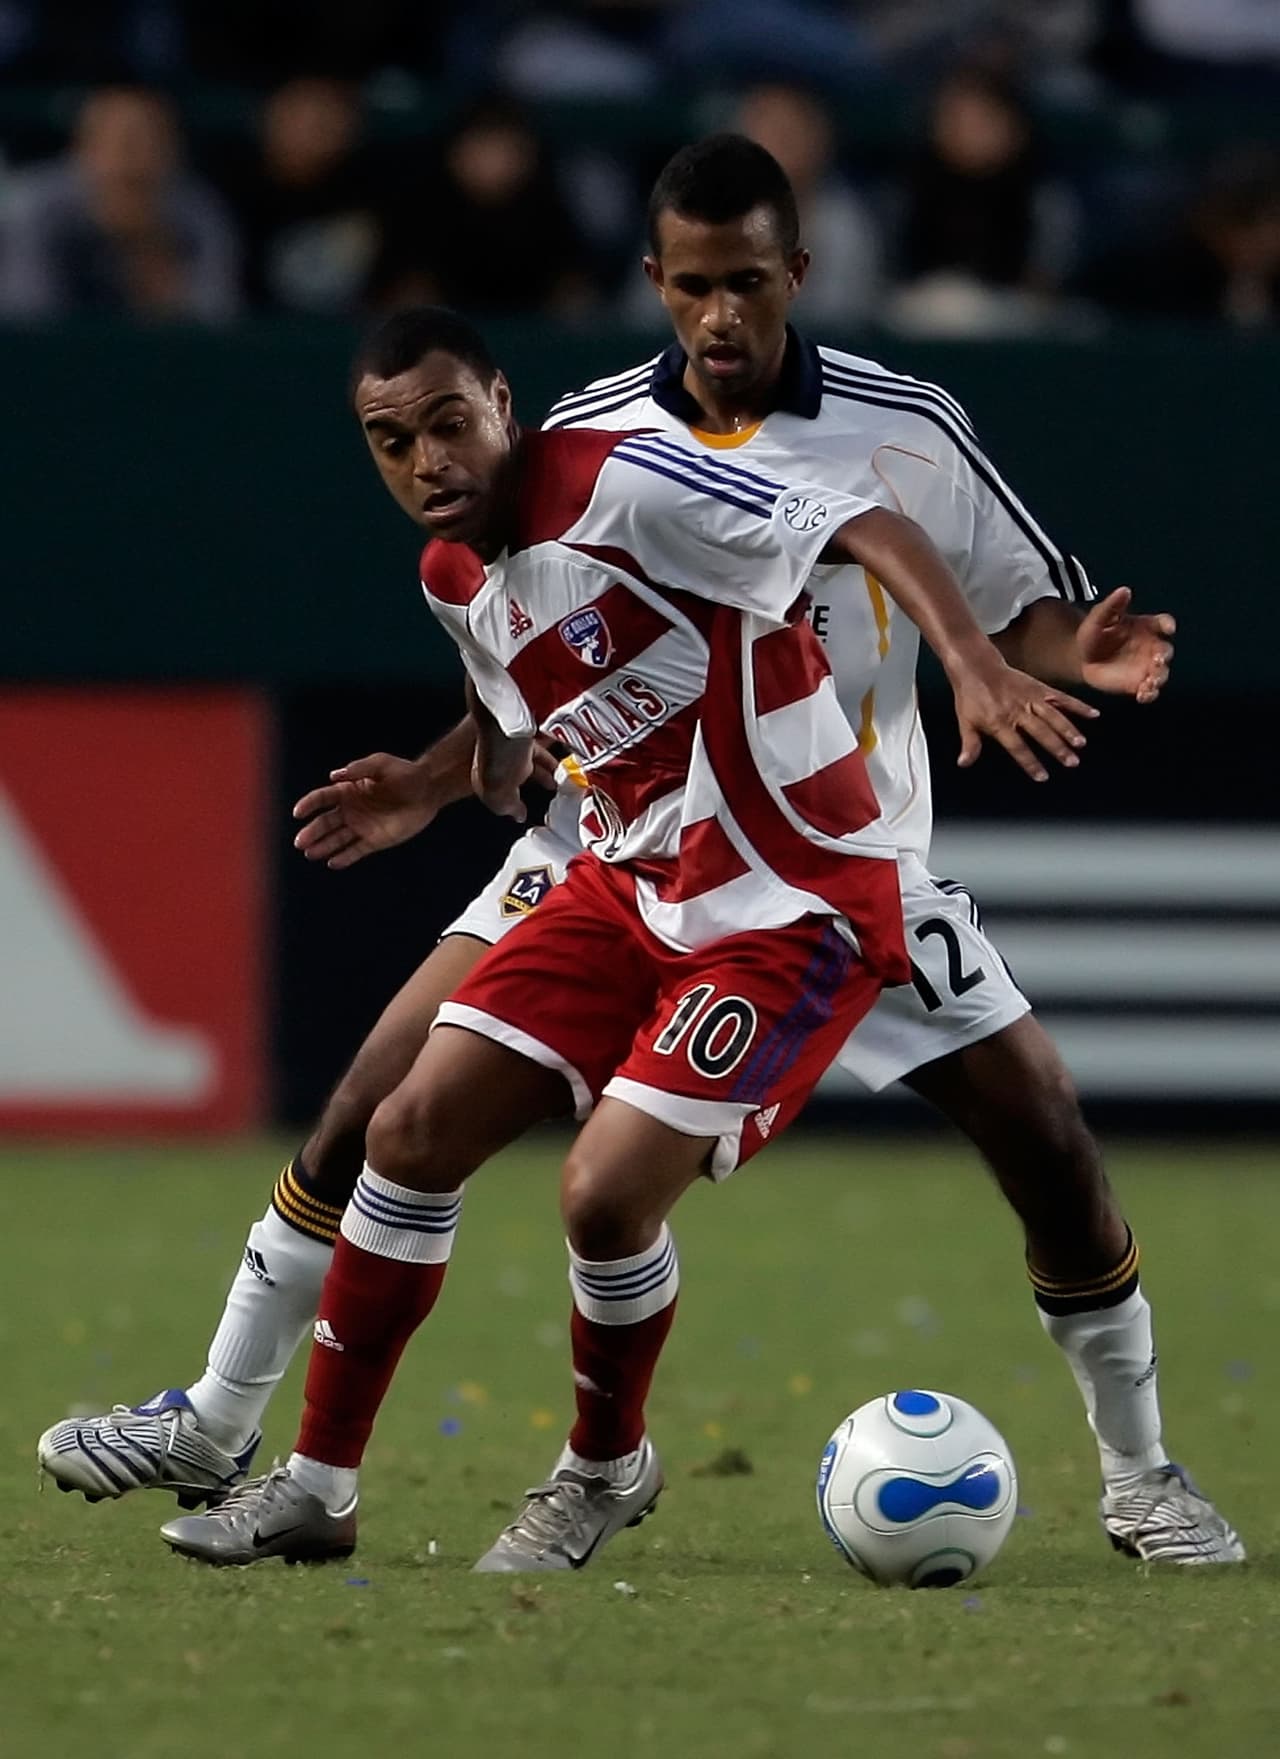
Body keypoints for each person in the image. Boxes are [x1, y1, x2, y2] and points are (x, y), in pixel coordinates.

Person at [38, 136, 1239, 1567]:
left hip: (840, 855)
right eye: (690, 289)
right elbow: (530, 660)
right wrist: (436, 781)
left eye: (745, 284)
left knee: (1047, 1141)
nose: (719, 318)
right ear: (654, 284)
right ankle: (228, 1422)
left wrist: (1040, 653)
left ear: (797, 272)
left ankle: (1143, 1473)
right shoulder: (573, 435)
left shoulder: (896, 424)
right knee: (383, 1105)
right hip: (614, 837)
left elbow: (1006, 598)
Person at [152, 304, 1090, 1569]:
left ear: (501, 404)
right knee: (405, 1131)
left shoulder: (625, 487)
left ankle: (601, 1468)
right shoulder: (452, 574)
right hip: (623, 884)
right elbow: (510, 730)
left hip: (791, 901)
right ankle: (316, 1487)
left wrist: (969, 657)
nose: (427, 461)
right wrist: (434, 786)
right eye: (390, 441)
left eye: (447, 423)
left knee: (600, 1197)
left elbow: (858, 523)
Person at [0, 85, 239, 322]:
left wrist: (154, 258)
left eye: (153, 140)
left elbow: (216, 321)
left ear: (174, 151)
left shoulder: (199, 214)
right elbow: (25, 320)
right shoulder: (34, 208)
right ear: (81, 149)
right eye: (120, 140)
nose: (134, 158)